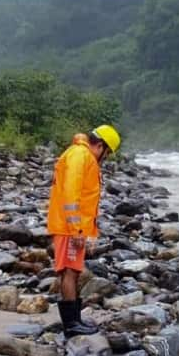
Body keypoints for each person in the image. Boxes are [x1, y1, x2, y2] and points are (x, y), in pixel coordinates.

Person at [47, 124, 121, 338]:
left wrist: (88, 232)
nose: (105, 159)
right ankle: (71, 325)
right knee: (69, 272)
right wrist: (77, 230)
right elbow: (71, 194)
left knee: (73, 271)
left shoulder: (80, 155)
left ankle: (75, 319)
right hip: (69, 227)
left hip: (71, 226)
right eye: (106, 154)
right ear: (100, 146)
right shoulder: (81, 156)